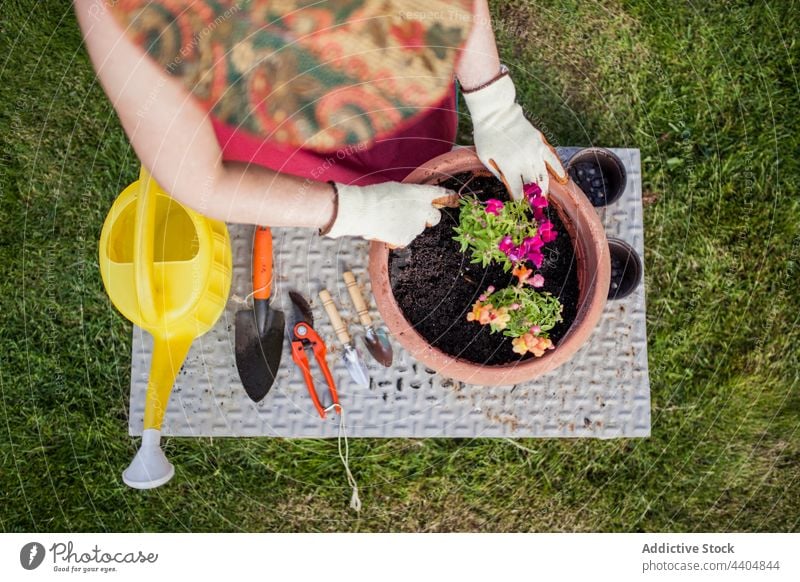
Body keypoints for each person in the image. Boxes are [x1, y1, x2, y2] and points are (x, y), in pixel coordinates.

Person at [75, 0, 566, 248]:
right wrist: (352, 210)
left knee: (417, 152)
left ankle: (410, 176)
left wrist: (492, 100)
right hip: (283, 144)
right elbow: (195, 177)